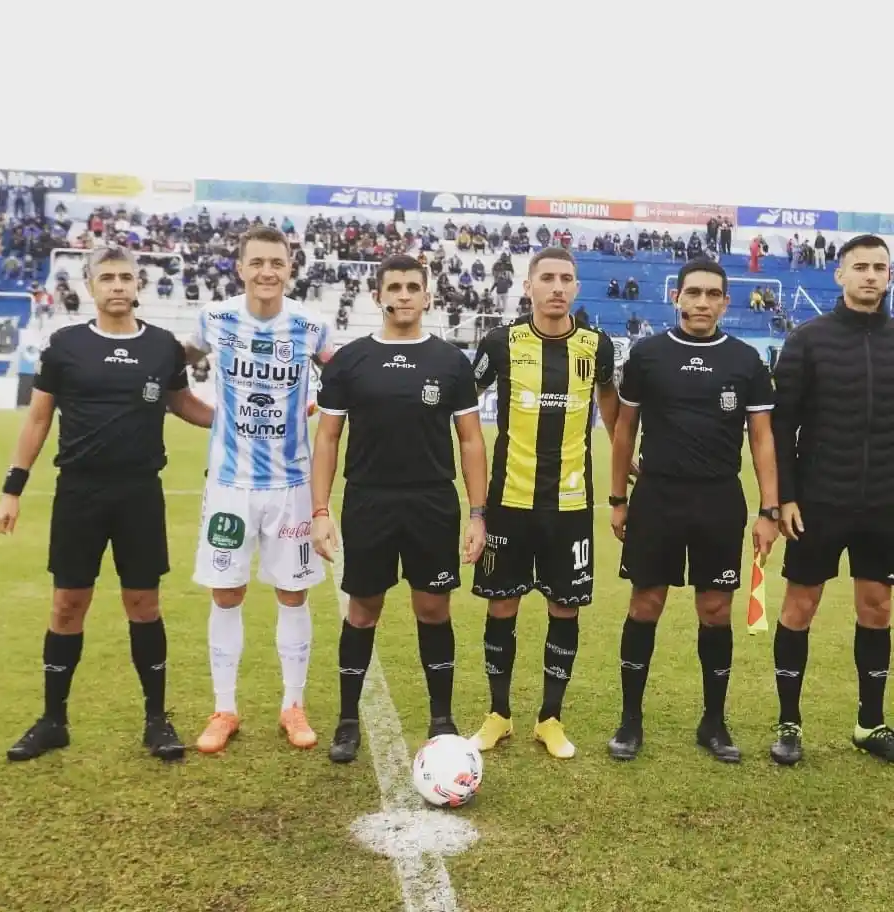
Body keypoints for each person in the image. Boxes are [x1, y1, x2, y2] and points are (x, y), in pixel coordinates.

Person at [0, 246, 214, 762]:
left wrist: (236, 423)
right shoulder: (65, 345)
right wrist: (12, 489)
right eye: (107, 278)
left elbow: (181, 403)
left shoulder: (163, 347)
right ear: (90, 287)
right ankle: (53, 721)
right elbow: (38, 420)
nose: (117, 285)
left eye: (126, 277)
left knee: (144, 604)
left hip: (139, 492)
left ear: (138, 285)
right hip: (79, 492)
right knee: (68, 604)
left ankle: (156, 720)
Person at [310, 253, 487, 764]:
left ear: (428, 296)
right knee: (363, 610)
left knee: (433, 607)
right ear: (378, 296)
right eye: (396, 287)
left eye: (414, 287)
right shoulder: (351, 360)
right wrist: (321, 511)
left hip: (432, 501)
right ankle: (347, 719)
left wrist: (478, 514)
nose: (405, 295)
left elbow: (471, 442)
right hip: (369, 501)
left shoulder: (451, 362)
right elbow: (327, 438)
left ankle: (441, 718)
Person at [607, 258, 779, 763]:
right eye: (694, 293)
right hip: (657, 497)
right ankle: (630, 722)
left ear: (726, 302)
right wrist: (618, 499)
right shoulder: (648, 355)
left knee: (715, 610)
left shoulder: (746, 361)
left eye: (713, 295)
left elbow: (763, 440)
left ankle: (713, 722)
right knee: (646, 604)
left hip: (719, 499)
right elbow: (624, 430)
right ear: (676, 297)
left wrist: (768, 509)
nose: (703, 302)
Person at [183, 225, 332, 754]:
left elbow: (343, 383)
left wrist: (325, 408)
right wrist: (206, 418)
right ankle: (225, 708)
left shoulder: (310, 327)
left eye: (278, 262)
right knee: (227, 594)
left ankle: (293, 705)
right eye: (258, 262)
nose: (268, 271)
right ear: (240, 267)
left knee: (293, 593)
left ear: (291, 268)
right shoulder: (215, 319)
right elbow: (166, 370)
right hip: (230, 485)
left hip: (291, 485)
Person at [468, 247, 620, 760]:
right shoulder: (500, 343)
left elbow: (610, 403)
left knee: (565, 606)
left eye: (566, 279)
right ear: (529, 286)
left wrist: (626, 452)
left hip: (572, 504)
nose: (557, 287)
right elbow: (466, 404)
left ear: (577, 288)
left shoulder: (597, 347)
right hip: (509, 499)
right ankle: (498, 715)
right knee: (502, 603)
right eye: (547, 278)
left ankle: (550, 719)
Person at [770, 234, 894, 765]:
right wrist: (787, 497)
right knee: (801, 607)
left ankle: (870, 724)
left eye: (880, 268)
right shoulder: (808, 339)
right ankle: (789, 722)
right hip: (818, 502)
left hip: (884, 506)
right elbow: (781, 427)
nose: (871, 276)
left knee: (877, 608)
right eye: (860, 267)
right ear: (839, 275)